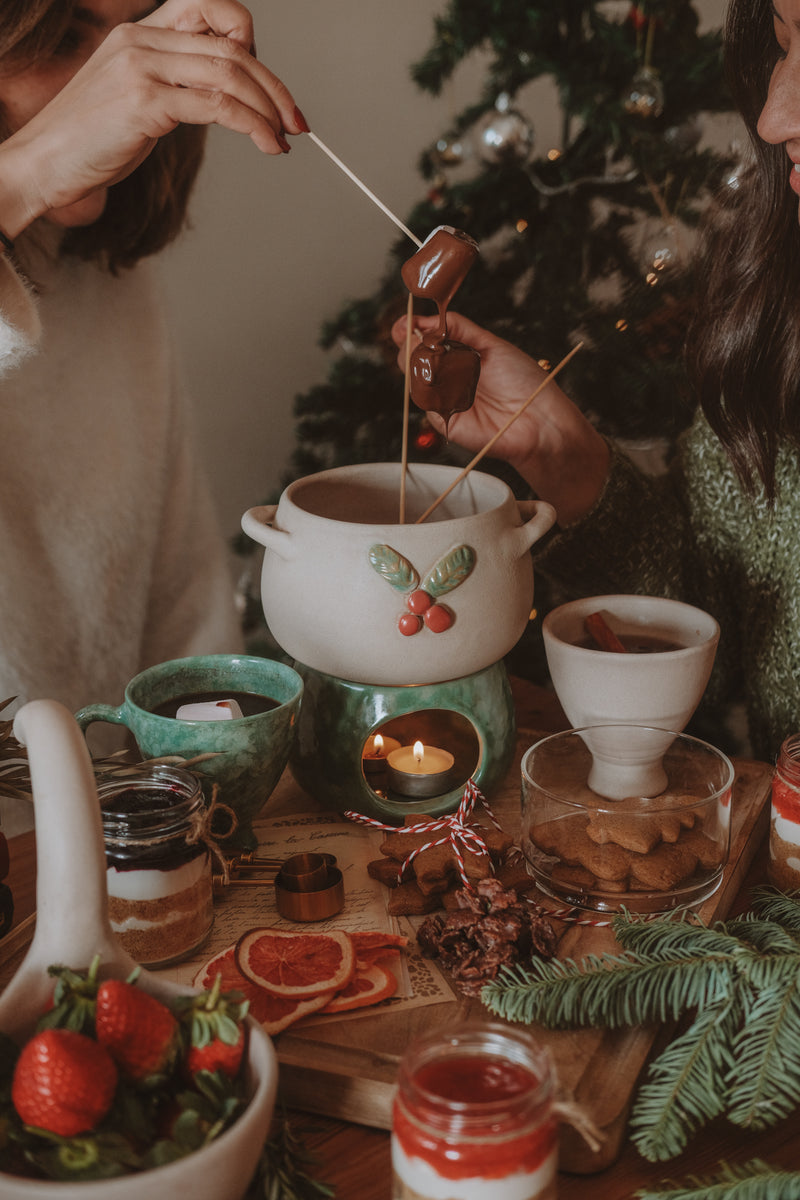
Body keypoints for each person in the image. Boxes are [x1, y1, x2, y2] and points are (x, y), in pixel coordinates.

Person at [392, 0, 800, 764]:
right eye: (784, 43)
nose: (775, 117)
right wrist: (563, 455)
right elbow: (714, 620)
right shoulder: (779, 343)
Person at [0, 0, 306, 830]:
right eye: (63, 38)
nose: (119, 79)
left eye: (142, 27)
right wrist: (21, 176)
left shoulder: (109, 283)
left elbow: (184, 619)